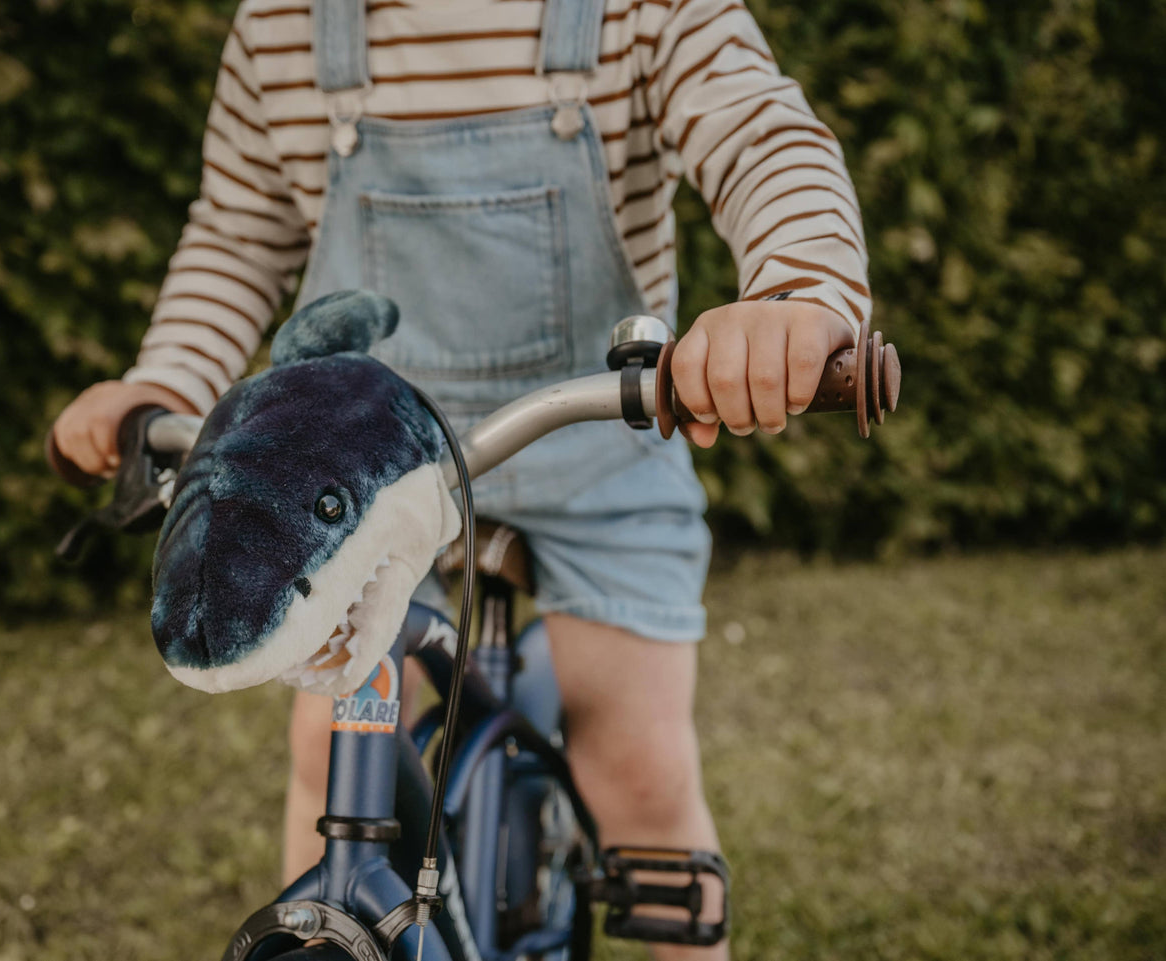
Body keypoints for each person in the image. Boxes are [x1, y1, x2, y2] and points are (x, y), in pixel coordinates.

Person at [51, 0, 870, 956]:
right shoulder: (282, 22)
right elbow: (237, 235)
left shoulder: (641, 10)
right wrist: (165, 384)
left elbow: (758, 134)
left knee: (636, 765)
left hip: (598, 441)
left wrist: (793, 291)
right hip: (358, 484)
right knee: (328, 753)